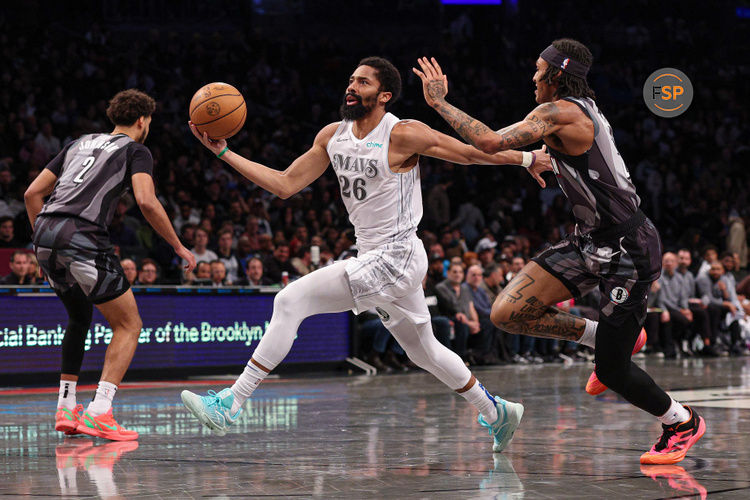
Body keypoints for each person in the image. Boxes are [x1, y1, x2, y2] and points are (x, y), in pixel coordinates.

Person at [181, 56, 550, 452]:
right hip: (375, 256)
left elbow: (469, 153)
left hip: (398, 255)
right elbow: (285, 184)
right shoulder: (332, 136)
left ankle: (231, 403)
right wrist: (224, 153)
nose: (351, 87)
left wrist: (527, 157)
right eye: (351, 80)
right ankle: (497, 412)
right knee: (424, 351)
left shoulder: (403, 133)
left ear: (384, 95)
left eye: (362, 83)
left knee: (290, 300)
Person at [414, 39, 704, 464]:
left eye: (538, 71)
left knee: (612, 371)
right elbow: (532, 152)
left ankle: (681, 422)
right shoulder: (570, 114)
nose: (532, 78)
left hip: (628, 248)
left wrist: (440, 102)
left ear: (555, 75)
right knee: (507, 312)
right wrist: (530, 159)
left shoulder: (560, 112)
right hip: (589, 239)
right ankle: (597, 337)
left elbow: (490, 142)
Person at [24, 89, 195, 441]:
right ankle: (99, 412)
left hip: (44, 235)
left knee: (79, 316)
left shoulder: (78, 143)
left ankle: (66, 407)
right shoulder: (136, 150)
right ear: (142, 120)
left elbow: (31, 194)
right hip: (82, 237)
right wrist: (177, 245)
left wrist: (45, 237)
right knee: (129, 324)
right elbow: (146, 202)